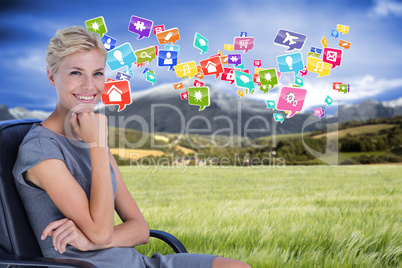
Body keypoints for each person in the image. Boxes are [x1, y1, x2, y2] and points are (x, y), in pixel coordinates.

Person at [12, 26, 251, 268]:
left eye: (97, 74)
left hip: (138, 263)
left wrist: (91, 243)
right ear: (52, 77)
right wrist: (97, 145)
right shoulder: (41, 149)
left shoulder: (90, 135)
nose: (89, 86)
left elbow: (139, 229)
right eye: (76, 73)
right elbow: (101, 231)